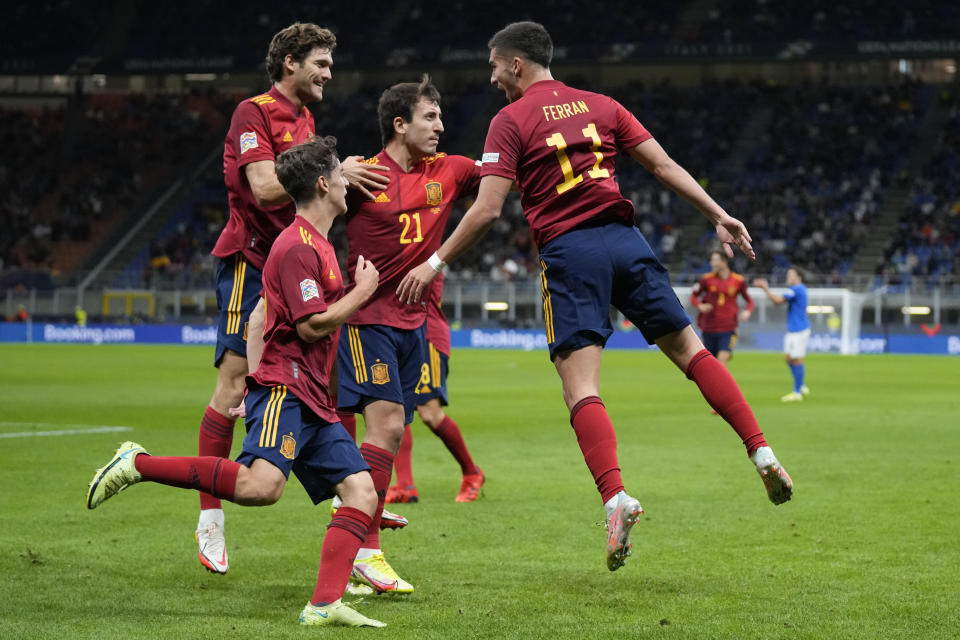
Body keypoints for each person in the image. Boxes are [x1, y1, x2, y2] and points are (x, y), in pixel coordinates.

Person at [397, 21, 793, 572]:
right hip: (627, 242)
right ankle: (761, 449)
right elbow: (662, 164)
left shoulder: (509, 121)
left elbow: (487, 209)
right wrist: (718, 214)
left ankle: (616, 499)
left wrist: (435, 260)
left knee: (579, 386)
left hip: (570, 251)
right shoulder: (601, 104)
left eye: (493, 67)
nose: (491, 79)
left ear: (516, 64)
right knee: (693, 352)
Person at [87, 137, 387, 627]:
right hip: (287, 388)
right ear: (322, 183)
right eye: (339, 172)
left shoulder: (320, 245)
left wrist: (249, 383)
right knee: (260, 488)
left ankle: (323, 604)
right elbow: (312, 325)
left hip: (310, 395)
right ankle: (137, 463)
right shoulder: (296, 248)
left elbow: (256, 319)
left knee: (361, 491)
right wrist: (363, 293)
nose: (346, 180)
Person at [197, 22, 389, 575]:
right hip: (250, 260)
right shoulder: (252, 113)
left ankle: (348, 495)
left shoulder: (306, 119)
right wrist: (341, 170)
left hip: (294, 255)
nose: (329, 73)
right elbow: (261, 187)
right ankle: (211, 516)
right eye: (321, 63)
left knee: (325, 382)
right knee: (233, 384)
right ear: (289, 63)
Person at [336, 75, 482, 593]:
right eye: (430, 117)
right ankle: (365, 548)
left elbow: (505, 170)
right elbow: (289, 190)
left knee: (389, 429)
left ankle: (354, 526)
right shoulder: (361, 177)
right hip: (364, 321)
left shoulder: (451, 171)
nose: (441, 127)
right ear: (400, 124)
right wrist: (335, 167)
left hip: (413, 327)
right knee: (386, 428)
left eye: (440, 117)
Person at [387, 272, 484, 503]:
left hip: (427, 334)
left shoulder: (424, 247)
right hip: (398, 332)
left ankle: (472, 473)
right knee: (396, 409)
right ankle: (405, 485)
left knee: (430, 413)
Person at [754, 268, 811, 402]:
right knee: (788, 358)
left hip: (799, 330)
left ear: (798, 277)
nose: (788, 276)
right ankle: (801, 384)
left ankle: (797, 392)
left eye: (790, 274)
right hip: (794, 330)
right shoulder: (797, 289)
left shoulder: (796, 289)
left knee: (796, 359)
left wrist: (765, 288)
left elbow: (777, 301)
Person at [690, 250, 754, 365]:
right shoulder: (706, 279)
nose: (712, 263)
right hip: (708, 328)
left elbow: (749, 301)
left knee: (721, 362)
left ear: (724, 262)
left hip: (728, 329)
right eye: (711, 260)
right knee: (710, 365)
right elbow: (693, 297)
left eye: (715, 260)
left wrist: (747, 312)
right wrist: (700, 306)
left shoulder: (738, 281)